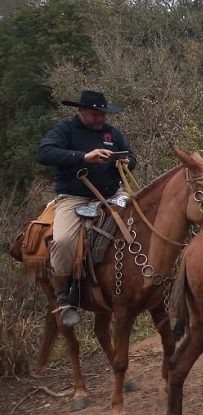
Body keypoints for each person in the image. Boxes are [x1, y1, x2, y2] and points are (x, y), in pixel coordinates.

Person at [37, 89, 136, 327]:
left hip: (113, 194)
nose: (100, 119)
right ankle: (64, 296)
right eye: (95, 114)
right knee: (62, 241)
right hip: (75, 197)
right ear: (81, 111)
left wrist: (127, 161)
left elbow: (132, 157)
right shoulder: (65, 130)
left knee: (144, 220)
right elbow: (44, 153)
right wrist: (84, 157)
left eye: (102, 114)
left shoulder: (112, 133)